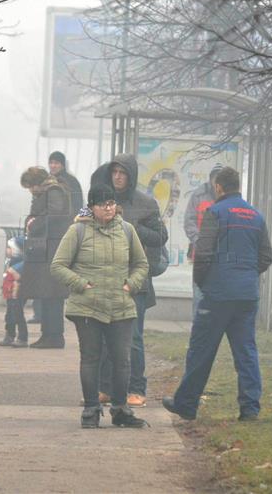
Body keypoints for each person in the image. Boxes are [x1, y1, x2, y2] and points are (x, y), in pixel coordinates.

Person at [162, 167, 272, 421]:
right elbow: (266, 257)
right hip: (246, 296)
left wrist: (204, 282)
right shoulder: (256, 216)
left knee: (201, 350)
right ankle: (250, 409)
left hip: (217, 295)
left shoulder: (215, 212)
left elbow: (203, 253)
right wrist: (245, 274)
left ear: (219, 187)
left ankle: (186, 404)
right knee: (246, 352)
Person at [51, 183, 150, 428]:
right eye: (103, 204)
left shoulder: (127, 231)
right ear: (92, 207)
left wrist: (131, 285)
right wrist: (81, 284)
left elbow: (142, 264)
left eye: (112, 203)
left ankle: (120, 409)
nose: (109, 208)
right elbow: (58, 265)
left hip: (121, 305)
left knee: (122, 359)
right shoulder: (78, 231)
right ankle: (91, 409)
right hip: (87, 306)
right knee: (91, 357)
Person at [95, 153, 168, 408]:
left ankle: (136, 389)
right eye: (114, 171)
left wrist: (130, 226)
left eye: (122, 173)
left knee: (133, 338)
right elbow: (82, 225)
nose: (117, 176)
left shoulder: (146, 204)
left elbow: (160, 237)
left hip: (135, 281)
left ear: (131, 176)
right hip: (105, 279)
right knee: (104, 336)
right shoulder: (101, 199)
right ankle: (104, 388)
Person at [18, 167, 71, 349]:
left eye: (31, 186)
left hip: (53, 249)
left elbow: (54, 214)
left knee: (53, 295)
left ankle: (55, 336)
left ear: (38, 182)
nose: (31, 190)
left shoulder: (54, 191)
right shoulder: (47, 192)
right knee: (46, 294)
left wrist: (34, 224)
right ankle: (47, 334)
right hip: (45, 249)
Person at [183, 163, 224, 317]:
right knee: (199, 297)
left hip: (222, 257)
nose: (217, 183)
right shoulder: (198, 196)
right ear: (210, 179)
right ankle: (198, 333)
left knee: (218, 301)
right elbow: (189, 221)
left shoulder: (227, 197)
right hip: (201, 256)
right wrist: (201, 242)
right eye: (215, 179)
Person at [0, 236, 28, 347]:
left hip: (17, 292)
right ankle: (9, 335)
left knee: (17, 313)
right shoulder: (12, 261)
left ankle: (22, 338)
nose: (7, 250)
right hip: (11, 292)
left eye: (9, 247)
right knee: (9, 314)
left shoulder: (21, 263)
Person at [48, 150, 83, 216]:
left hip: (67, 220)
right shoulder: (46, 181)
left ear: (63, 165)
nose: (53, 166)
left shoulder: (72, 181)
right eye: (51, 163)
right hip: (47, 220)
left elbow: (78, 203)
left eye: (56, 163)